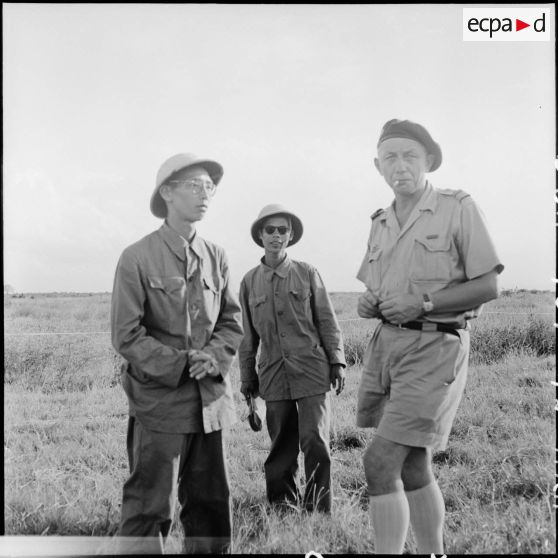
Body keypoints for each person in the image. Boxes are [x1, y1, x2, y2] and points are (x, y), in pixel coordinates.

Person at [356, 119, 504, 554]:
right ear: (377, 165)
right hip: (389, 349)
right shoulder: (380, 221)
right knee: (414, 464)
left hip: (436, 347)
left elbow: (488, 285)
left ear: (428, 162)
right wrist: (370, 302)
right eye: (390, 158)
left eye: (410, 156)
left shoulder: (457, 207)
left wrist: (423, 303)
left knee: (380, 461)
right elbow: (376, 286)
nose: (399, 166)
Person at [110, 153, 243, 554]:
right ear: (167, 193)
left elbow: (231, 322)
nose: (205, 195)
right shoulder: (136, 257)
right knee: (150, 508)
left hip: (211, 402)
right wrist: (184, 362)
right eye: (194, 185)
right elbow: (126, 335)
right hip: (160, 403)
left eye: (210, 187)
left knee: (210, 507)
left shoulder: (217, 255)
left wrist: (216, 356)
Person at [238, 204, 347, 513]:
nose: (276, 235)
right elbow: (247, 337)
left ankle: (317, 510)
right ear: (260, 235)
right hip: (273, 373)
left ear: (290, 236)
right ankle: (283, 507)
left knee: (315, 441)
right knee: (281, 445)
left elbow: (327, 320)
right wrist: (247, 378)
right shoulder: (249, 282)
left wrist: (337, 361)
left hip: (312, 369)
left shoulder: (307, 273)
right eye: (269, 230)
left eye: (282, 230)